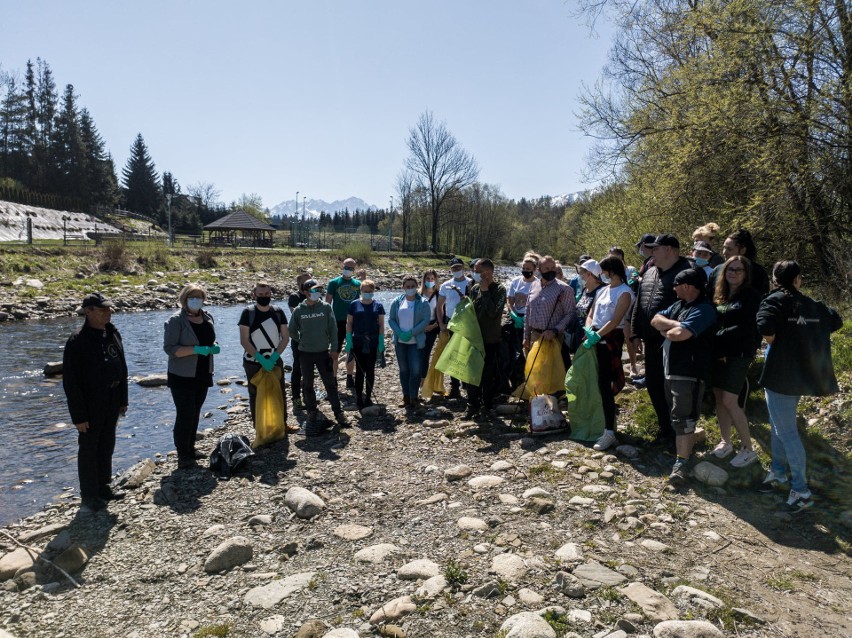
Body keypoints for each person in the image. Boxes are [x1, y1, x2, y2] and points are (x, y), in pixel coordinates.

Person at [756, 261, 842, 512]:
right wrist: (805, 335)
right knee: (778, 425)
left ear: (775, 279)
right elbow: (834, 321)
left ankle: (802, 491)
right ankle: (780, 473)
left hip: (780, 376)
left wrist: (780, 343)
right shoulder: (814, 305)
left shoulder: (773, 300)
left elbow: (765, 327)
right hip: (804, 375)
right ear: (798, 279)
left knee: (787, 432)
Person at [62, 293, 128, 513]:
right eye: (102, 310)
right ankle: (89, 495)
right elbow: (71, 383)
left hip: (112, 398)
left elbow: (123, 367)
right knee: (89, 448)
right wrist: (79, 416)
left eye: (109, 309)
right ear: (88, 311)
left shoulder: (112, 332)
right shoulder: (77, 341)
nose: (107, 312)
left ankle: (104, 486)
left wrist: (123, 399)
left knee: (107, 443)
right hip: (91, 402)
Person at [650, 268, 717, 484]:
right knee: (676, 416)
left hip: (689, 373)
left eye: (676, 284)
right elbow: (655, 320)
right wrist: (675, 325)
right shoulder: (679, 306)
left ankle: (682, 464)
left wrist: (671, 328)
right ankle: (682, 456)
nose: (673, 288)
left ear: (687, 286)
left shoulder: (704, 309)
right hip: (671, 371)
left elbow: (679, 335)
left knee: (684, 418)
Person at [630, 234, 691, 447]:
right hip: (650, 340)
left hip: (676, 342)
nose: (650, 252)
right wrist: (635, 333)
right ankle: (665, 430)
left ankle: (681, 434)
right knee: (654, 385)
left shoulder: (688, 272)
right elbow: (640, 301)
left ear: (670, 250)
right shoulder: (650, 271)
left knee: (675, 390)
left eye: (655, 248)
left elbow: (693, 305)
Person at [710, 256, 761, 467]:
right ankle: (726, 441)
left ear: (746, 274)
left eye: (738, 270)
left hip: (738, 354)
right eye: (730, 269)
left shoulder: (751, 297)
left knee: (731, 401)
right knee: (719, 398)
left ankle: (748, 449)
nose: (733, 273)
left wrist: (716, 338)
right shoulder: (719, 294)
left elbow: (746, 327)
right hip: (718, 354)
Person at [164, 284, 219, 470]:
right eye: (192, 297)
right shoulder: (175, 321)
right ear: (184, 299)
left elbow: (209, 339)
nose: (196, 300)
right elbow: (170, 349)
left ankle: (191, 448)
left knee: (195, 411)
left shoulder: (207, 317)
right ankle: (183, 455)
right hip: (182, 375)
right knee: (185, 413)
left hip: (203, 372)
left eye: (199, 297)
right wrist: (195, 350)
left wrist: (213, 346)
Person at [585, 257, 635, 450]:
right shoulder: (603, 290)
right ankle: (596, 422)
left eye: (603, 271)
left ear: (611, 271)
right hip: (594, 338)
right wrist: (589, 330)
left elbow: (615, 321)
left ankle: (609, 431)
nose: (602, 274)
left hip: (609, 340)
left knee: (606, 384)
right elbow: (592, 313)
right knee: (594, 381)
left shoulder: (625, 293)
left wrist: (597, 335)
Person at [290, 279, 348, 433]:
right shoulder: (298, 310)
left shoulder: (326, 307)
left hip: (323, 352)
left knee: (330, 384)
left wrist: (334, 349)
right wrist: (301, 341)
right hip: (305, 354)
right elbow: (291, 331)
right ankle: (312, 412)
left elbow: (333, 330)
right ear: (306, 292)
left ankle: (338, 413)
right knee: (307, 385)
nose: (318, 293)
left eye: (319, 290)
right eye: (314, 290)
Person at [239, 281, 290, 430]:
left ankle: (283, 424)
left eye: (267, 294)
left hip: (274, 358)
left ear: (271, 294)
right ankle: (259, 428)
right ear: (254, 295)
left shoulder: (278, 312)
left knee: (279, 391)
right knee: (256, 394)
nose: (264, 296)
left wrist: (274, 357)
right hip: (252, 361)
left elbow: (285, 337)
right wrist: (260, 359)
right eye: (260, 294)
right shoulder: (247, 313)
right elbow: (244, 340)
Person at [465, 258, 507, 418]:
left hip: (490, 339)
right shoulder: (474, 288)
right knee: (471, 373)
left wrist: (486, 292)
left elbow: (494, 313)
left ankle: (487, 405)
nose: (474, 274)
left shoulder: (499, 290)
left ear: (488, 272)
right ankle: (472, 405)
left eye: (477, 271)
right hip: (473, 338)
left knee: (487, 374)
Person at [523, 255, 576, 369]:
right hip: (534, 336)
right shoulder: (534, 285)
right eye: (547, 268)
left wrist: (555, 330)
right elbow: (528, 312)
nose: (551, 271)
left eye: (553, 268)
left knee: (549, 374)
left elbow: (570, 313)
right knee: (533, 371)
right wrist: (526, 336)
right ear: (539, 270)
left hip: (552, 339)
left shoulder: (564, 289)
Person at [389, 275, 431, 409]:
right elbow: (391, 320)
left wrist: (411, 332)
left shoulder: (423, 302)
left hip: (415, 342)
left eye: (413, 286)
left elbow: (425, 321)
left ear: (417, 286)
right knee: (404, 370)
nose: (410, 289)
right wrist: (400, 332)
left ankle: (414, 396)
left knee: (416, 370)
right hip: (400, 342)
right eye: (407, 286)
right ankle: (406, 396)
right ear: (403, 287)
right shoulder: (397, 301)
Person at [346, 279, 386, 411]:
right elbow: (349, 323)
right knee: (359, 371)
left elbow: (381, 324)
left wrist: (381, 341)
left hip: (373, 342)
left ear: (373, 292)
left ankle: (368, 397)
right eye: (365, 291)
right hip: (358, 342)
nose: (367, 293)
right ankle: (358, 398)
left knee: (370, 370)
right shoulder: (354, 304)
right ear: (361, 291)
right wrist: (348, 340)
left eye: (370, 291)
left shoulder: (378, 306)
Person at [436, 258, 472, 399]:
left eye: (459, 267)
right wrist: (441, 324)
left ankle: (468, 385)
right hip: (451, 322)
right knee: (453, 355)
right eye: (454, 268)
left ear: (463, 268)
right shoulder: (446, 285)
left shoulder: (470, 283)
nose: (456, 270)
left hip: (467, 323)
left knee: (467, 355)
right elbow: (440, 307)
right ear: (450, 270)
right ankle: (455, 387)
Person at [326, 257, 361, 387]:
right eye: (346, 267)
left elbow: (362, 302)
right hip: (337, 321)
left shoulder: (358, 284)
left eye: (351, 268)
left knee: (351, 350)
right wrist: (326, 321)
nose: (348, 270)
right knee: (335, 351)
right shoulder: (334, 282)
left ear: (354, 269)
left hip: (354, 322)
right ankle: (333, 378)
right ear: (342, 266)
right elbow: (327, 303)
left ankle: (349, 377)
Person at [708, 229, 770, 297]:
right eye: (724, 248)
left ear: (743, 250)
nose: (724, 252)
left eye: (729, 249)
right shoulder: (717, 270)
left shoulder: (758, 273)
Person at [288, 272, 311, 411]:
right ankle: (296, 398)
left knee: (309, 369)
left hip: (314, 339)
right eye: (305, 283)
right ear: (299, 285)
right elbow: (295, 314)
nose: (308, 285)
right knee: (297, 367)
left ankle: (308, 396)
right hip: (299, 339)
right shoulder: (294, 297)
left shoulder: (314, 294)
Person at [419, 269, 441, 389]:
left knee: (425, 354)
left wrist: (434, 325)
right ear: (424, 280)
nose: (430, 281)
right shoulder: (418, 294)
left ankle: (423, 383)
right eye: (428, 279)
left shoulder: (438, 295)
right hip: (419, 327)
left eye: (432, 279)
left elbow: (442, 313)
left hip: (433, 327)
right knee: (417, 354)